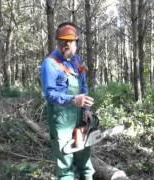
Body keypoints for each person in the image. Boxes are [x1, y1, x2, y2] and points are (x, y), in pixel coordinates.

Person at [40, 22, 95, 180]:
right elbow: (49, 94)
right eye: (62, 41)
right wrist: (73, 99)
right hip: (61, 120)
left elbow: (83, 85)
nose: (66, 44)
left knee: (85, 162)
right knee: (66, 168)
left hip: (80, 117)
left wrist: (86, 109)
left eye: (70, 41)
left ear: (76, 42)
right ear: (57, 41)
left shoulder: (78, 61)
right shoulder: (49, 64)